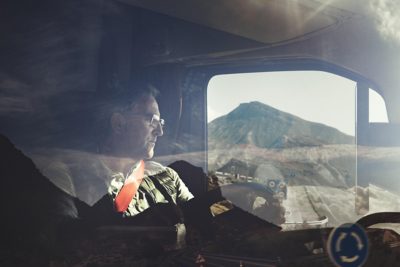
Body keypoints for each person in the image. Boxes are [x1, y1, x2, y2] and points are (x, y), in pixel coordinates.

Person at [91, 83, 194, 219]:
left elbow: (198, 224)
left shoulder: (167, 177)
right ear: (119, 124)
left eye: (160, 122)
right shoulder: (73, 180)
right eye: (152, 120)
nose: (160, 132)